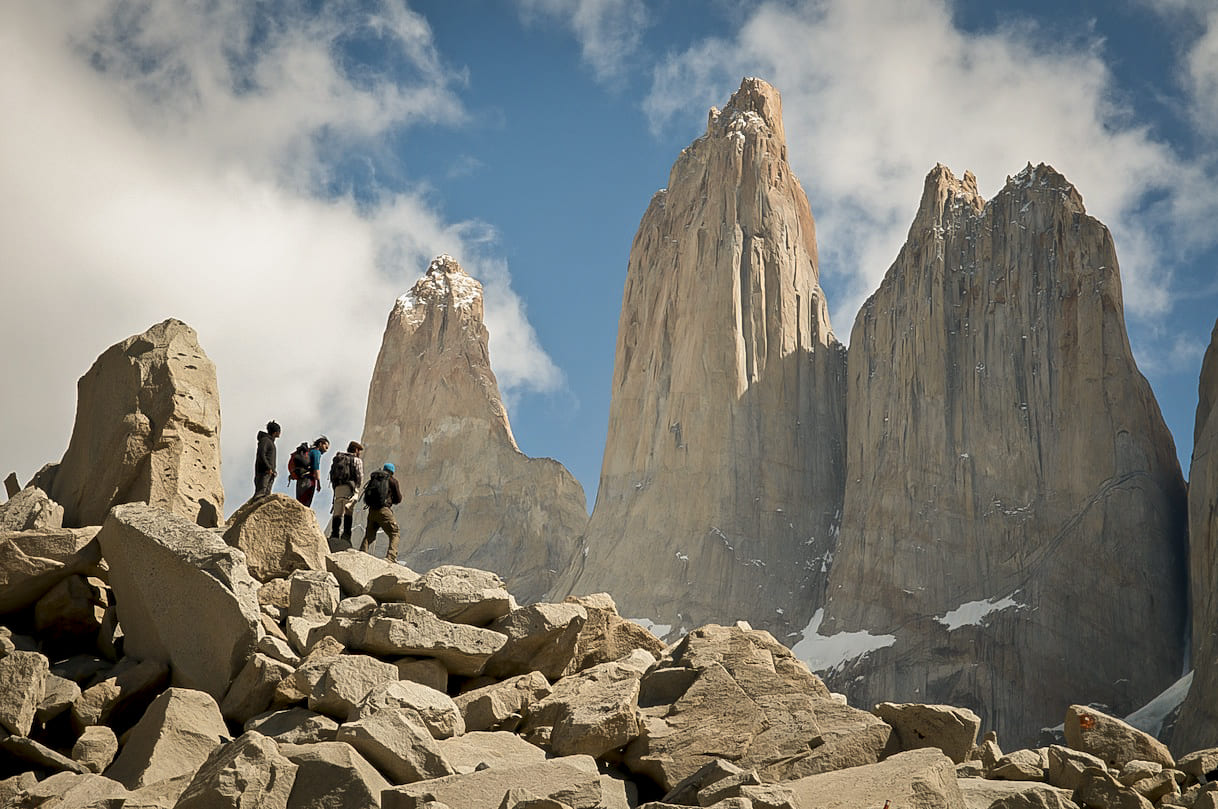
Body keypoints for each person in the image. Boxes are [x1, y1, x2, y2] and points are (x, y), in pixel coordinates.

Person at [361, 462, 403, 562]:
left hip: (372, 510)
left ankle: (362, 553)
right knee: (394, 532)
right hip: (384, 510)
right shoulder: (392, 481)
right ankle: (391, 557)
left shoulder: (375, 479)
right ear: (392, 472)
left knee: (369, 535)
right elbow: (398, 499)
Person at [328, 441, 364, 543]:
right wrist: (357, 487)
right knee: (348, 510)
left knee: (337, 511)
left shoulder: (339, 459)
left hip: (338, 488)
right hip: (350, 487)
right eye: (359, 451)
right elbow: (359, 475)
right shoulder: (356, 460)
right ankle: (346, 536)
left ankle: (334, 534)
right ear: (356, 450)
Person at [294, 436, 330, 507]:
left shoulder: (310, 451)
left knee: (300, 501)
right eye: (326, 447)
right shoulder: (317, 452)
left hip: (301, 478)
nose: (326, 450)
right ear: (320, 444)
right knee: (305, 502)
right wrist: (318, 484)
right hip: (308, 480)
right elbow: (316, 468)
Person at [253, 421, 281, 498]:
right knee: (260, 494)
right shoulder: (265, 440)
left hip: (269, 472)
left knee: (266, 495)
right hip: (264, 472)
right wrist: (268, 467)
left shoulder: (270, 442)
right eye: (279, 431)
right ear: (275, 432)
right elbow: (261, 454)